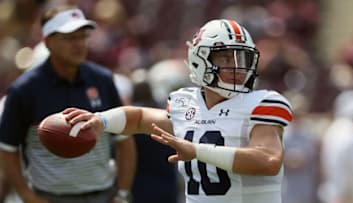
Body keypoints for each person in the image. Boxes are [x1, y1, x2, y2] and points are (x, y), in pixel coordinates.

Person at [64, 19, 293, 203]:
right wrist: (99, 120)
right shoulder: (186, 103)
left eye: (241, 57)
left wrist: (197, 151)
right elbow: (139, 118)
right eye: (225, 57)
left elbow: (268, 160)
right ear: (200, 59)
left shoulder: (262, 103)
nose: (237, 66)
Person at [0, 5, 136, 203]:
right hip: (48, 197)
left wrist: (123, 193)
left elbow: (125, 138)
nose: (79, 44)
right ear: (48, 42)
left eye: (83, 37)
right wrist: (25, 194)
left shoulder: (103, 80)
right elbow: (7, 148)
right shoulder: (24, 90)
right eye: (69, 38)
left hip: (102, 195)